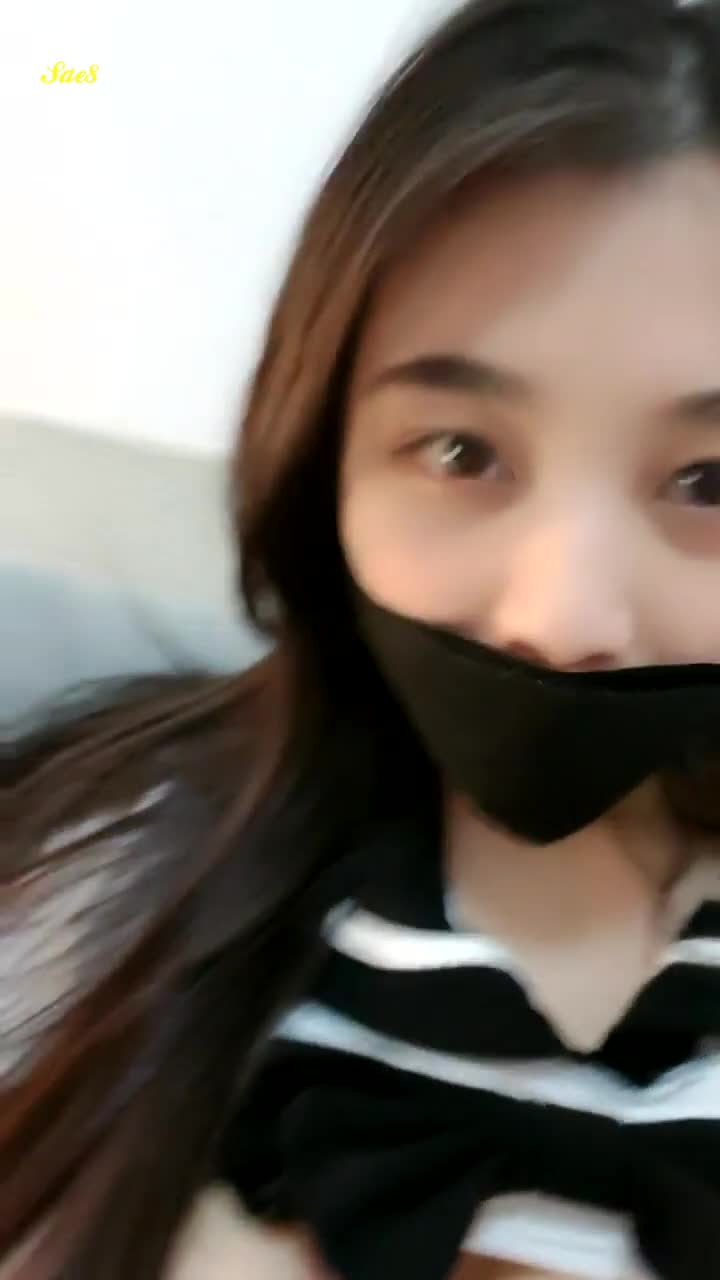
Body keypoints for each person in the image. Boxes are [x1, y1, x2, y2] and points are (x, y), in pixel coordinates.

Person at [5, 0, 720, 1276]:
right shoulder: (104, 889)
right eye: (460, 452)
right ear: (323, 450)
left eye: (710, 482)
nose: (562, 618)